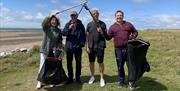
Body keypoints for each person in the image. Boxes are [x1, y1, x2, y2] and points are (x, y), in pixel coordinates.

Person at [100, 10, 138, 90]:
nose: (119, 17)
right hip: (118, 50)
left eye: (120, 15)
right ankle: (121, 82)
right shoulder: (112, 27)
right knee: (120, 66)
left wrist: (133, 36)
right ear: (115, 17)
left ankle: (131, 82)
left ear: (123, 16)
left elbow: (135, 32)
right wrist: (103, 32)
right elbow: (108, 38)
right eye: (117, 15)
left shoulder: (128, 24)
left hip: (128, 49)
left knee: (130, 66)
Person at [36, 14, 65, 89]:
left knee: (52, 67)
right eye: (52, 20)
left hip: (53, 51)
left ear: (57, 22)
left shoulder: (58, 31)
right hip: (45, 50)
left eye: (55, 20)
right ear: (50, 21)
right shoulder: (46, 28)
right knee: (42, 66)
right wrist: (50, 16)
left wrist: (60, 50)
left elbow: (60, 41)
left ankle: (51, 81)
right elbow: (43, 23)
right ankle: (40, 82)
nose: (53, 21)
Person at [63, 11, 86, 84]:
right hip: (69, 47)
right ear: (70, 16)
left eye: (74, 15)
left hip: (78, 47)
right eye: (72, 16)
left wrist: (81, 44)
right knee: (69, 63)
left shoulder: (80, 25)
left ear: (77, 16)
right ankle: (70, 78)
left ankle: (78, 78)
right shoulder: (67, 24)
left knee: (78, 63)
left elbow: (84, 35)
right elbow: (63, 33)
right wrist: (69, 28)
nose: (73, 17)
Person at [86, 8, 107, 87]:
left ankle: (102, 78)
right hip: (91, 47)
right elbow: (87, 36)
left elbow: (105, 35)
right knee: (91, 62)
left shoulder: (103, 24)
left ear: (98, 14)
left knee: (100, 62)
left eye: (96, 13)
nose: (95, 15)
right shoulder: (89, 24)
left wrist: (101, 31)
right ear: (91, 15)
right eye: (93, 14)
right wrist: (87, 46)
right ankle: (92, 76)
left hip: (100, 46)